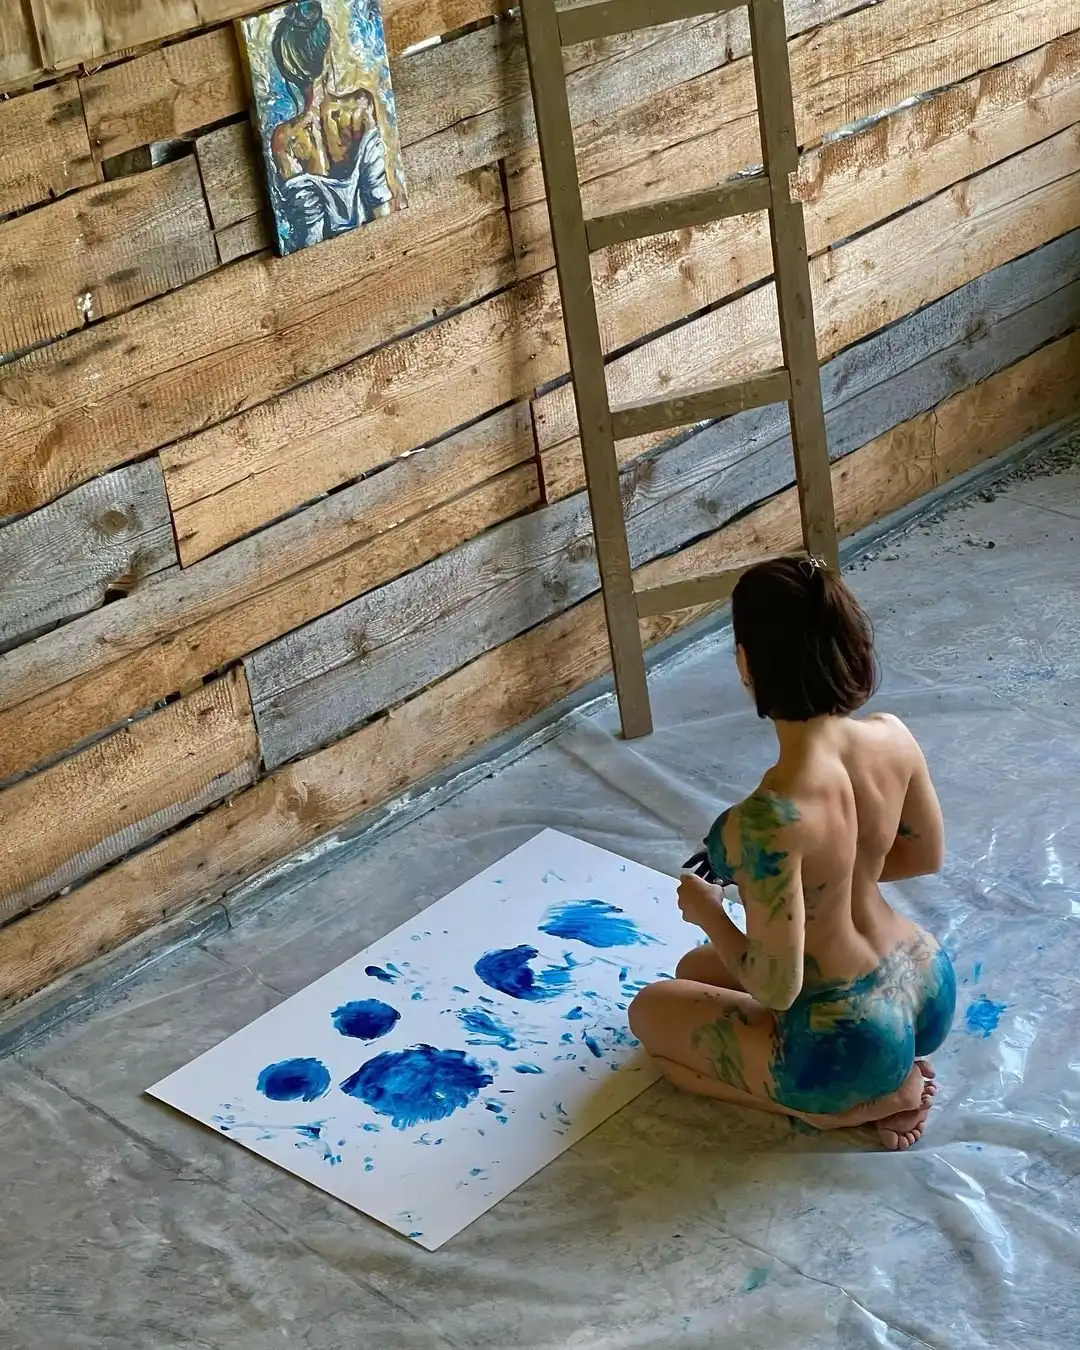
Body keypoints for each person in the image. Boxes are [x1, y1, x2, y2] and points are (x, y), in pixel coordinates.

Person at [628, 555, 956, 1150]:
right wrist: (840, 877)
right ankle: (893, 1066)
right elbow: (923, 856)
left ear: (745, 663)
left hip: (848, 1036)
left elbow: (776, 987)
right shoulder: (892, 735)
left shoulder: (767, 820)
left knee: (650, 1013)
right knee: (694, 970)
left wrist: (709, 912)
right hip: (925, 979)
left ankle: (846, 1110)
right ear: (850, 645)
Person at [266, 1, 396, 252]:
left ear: (288, 71)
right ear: (328, 56)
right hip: (380, 244)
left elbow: (310, 236)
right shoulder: (360, 107)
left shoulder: (285, 139)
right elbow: (380, 201)